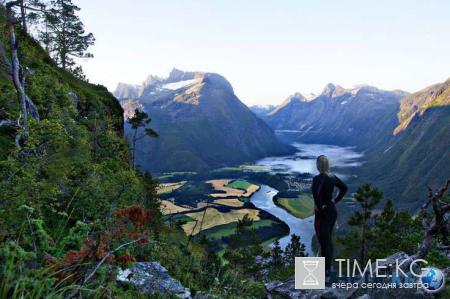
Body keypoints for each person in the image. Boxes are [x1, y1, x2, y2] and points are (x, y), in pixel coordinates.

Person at [311, 155, 348, 279]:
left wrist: (318, 207)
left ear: (318, 166)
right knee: (327, 240)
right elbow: (344, 188)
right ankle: (327, 269)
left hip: (322, 214)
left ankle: (325, 273)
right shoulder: (332, 177)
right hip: (332, 212)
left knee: (324, 241)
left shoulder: (316, 179)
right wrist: (334, 200)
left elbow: (317, 197)